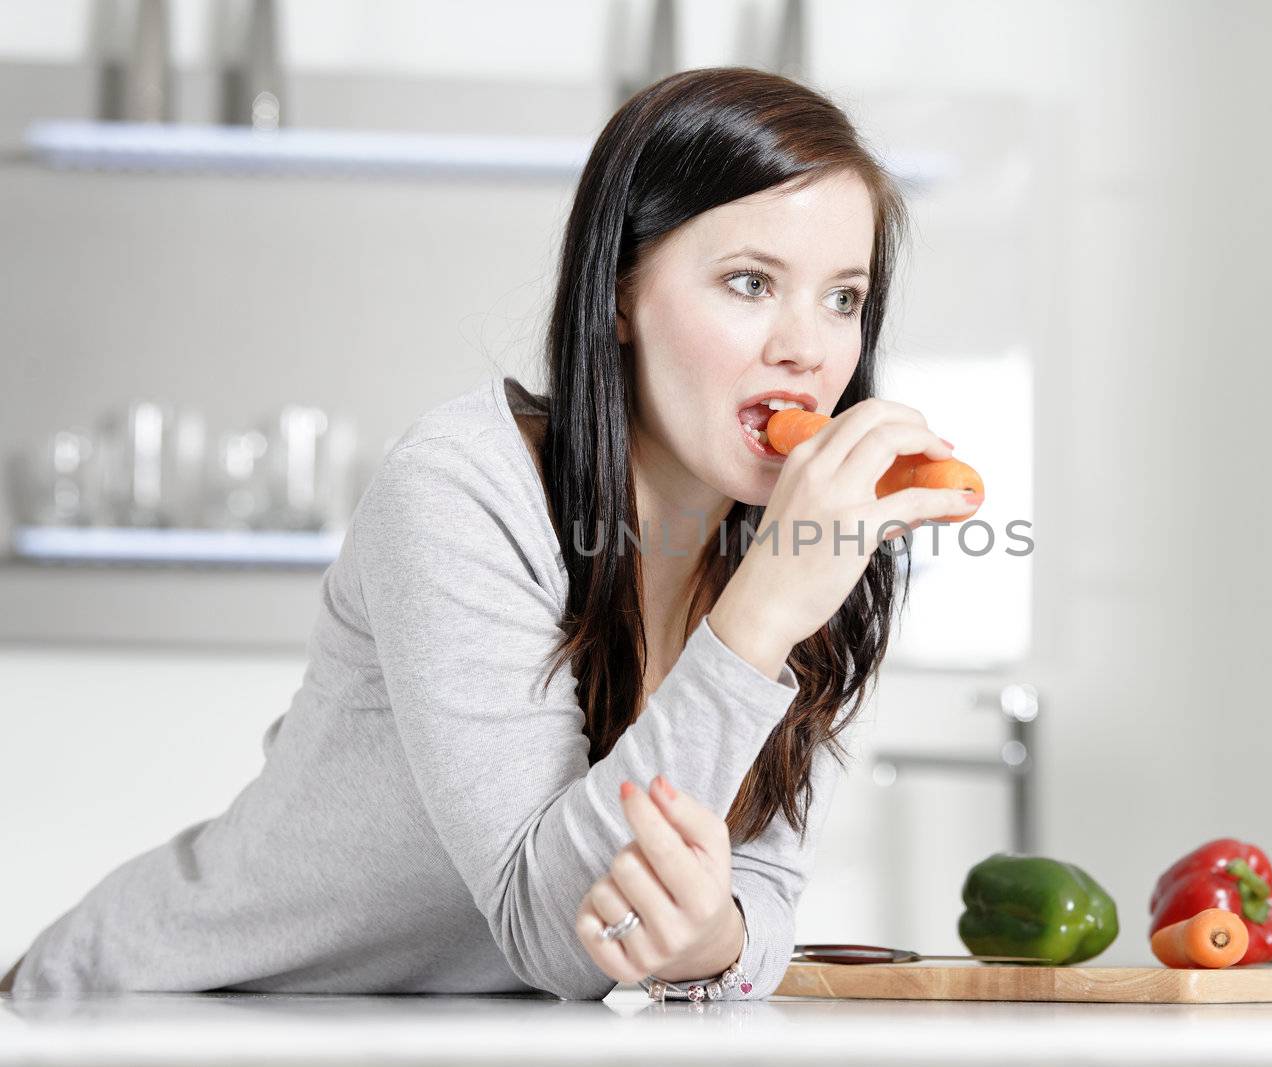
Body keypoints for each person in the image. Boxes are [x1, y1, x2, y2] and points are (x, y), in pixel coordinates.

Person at [2, 66, 972, 999]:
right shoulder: (462, 487)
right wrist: (763, 612)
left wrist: (709, 938)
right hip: (155, 1008)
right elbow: (557, 929)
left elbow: (755, 898)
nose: (806, 347)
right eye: (750, 282)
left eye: (843, 297)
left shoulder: (821, 549)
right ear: (620, 293)